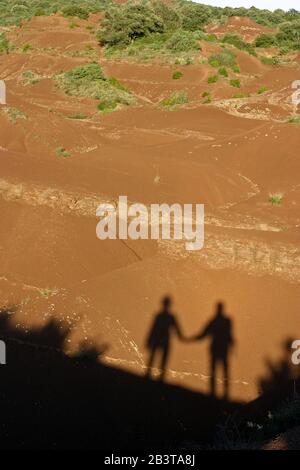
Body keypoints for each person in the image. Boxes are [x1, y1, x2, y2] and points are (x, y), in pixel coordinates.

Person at [192, 302, 234, 399]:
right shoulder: (226, 320)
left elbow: (204, 333)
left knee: (217, 370)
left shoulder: (215, 321)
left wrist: (191, 339)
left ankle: (215, 393)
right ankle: (222, 393)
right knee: (222, 370)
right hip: (221, 348)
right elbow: (230, 335)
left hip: (217, 348)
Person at [145, 296, 183, 380]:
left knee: (153, 358)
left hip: (158, 339)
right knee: (162, 361)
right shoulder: (170, 317)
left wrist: (149, 341)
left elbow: (152, 329)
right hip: (165, 340)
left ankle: (148, 374)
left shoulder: (159, 316)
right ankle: (160, 378)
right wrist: (184, 338)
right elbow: (177, 331)